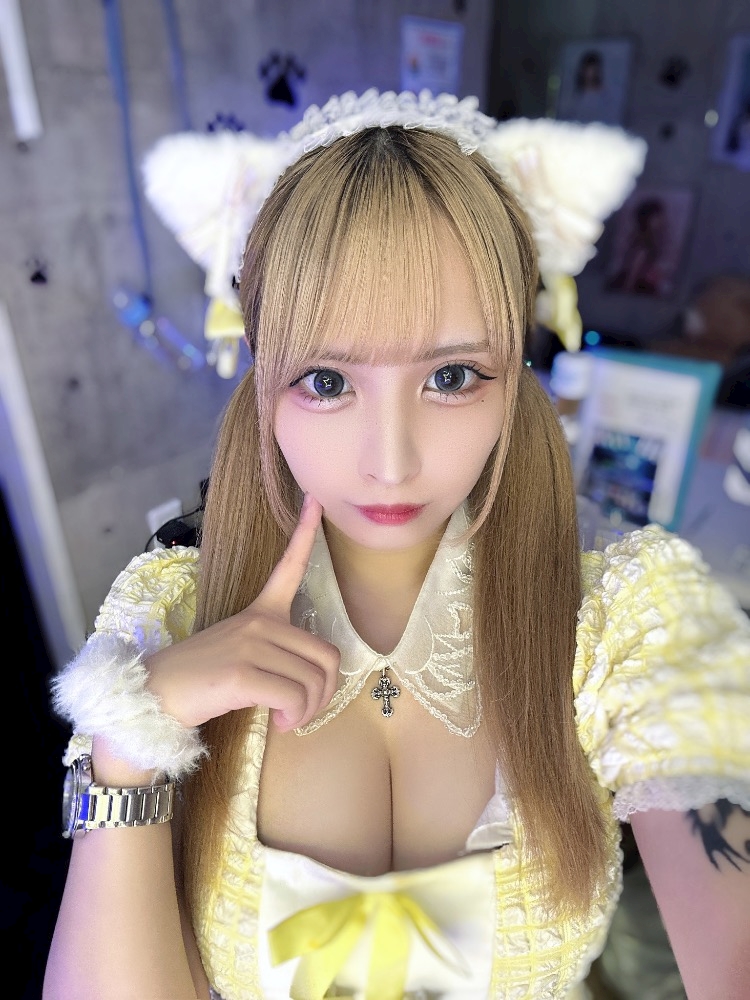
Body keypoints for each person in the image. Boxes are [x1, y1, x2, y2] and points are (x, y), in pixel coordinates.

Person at [44, 91, 750, 1000]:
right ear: (262, 378)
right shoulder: (172, 613)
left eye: (451, 376)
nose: (389, 462)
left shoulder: (623, 620)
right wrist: (132, 740)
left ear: (515, 373)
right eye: (326, 381)